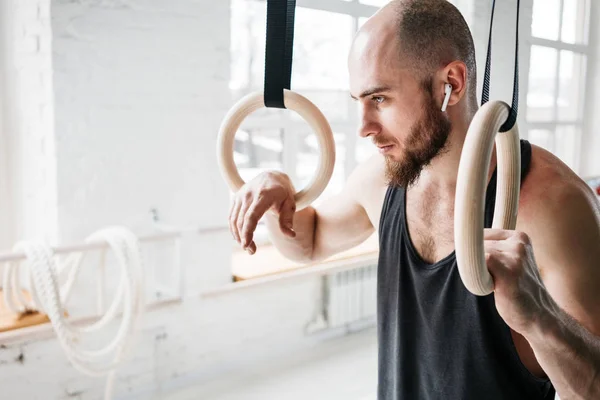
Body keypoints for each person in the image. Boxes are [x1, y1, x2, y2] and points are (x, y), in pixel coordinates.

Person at [227, 0, 600, 398]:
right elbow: (311, 240)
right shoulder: (384, 178)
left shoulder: (554, 202)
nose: (364, 128)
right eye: (359, 102)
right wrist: (275, 196)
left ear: (451, 85)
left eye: (380, 99)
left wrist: (539, 316)